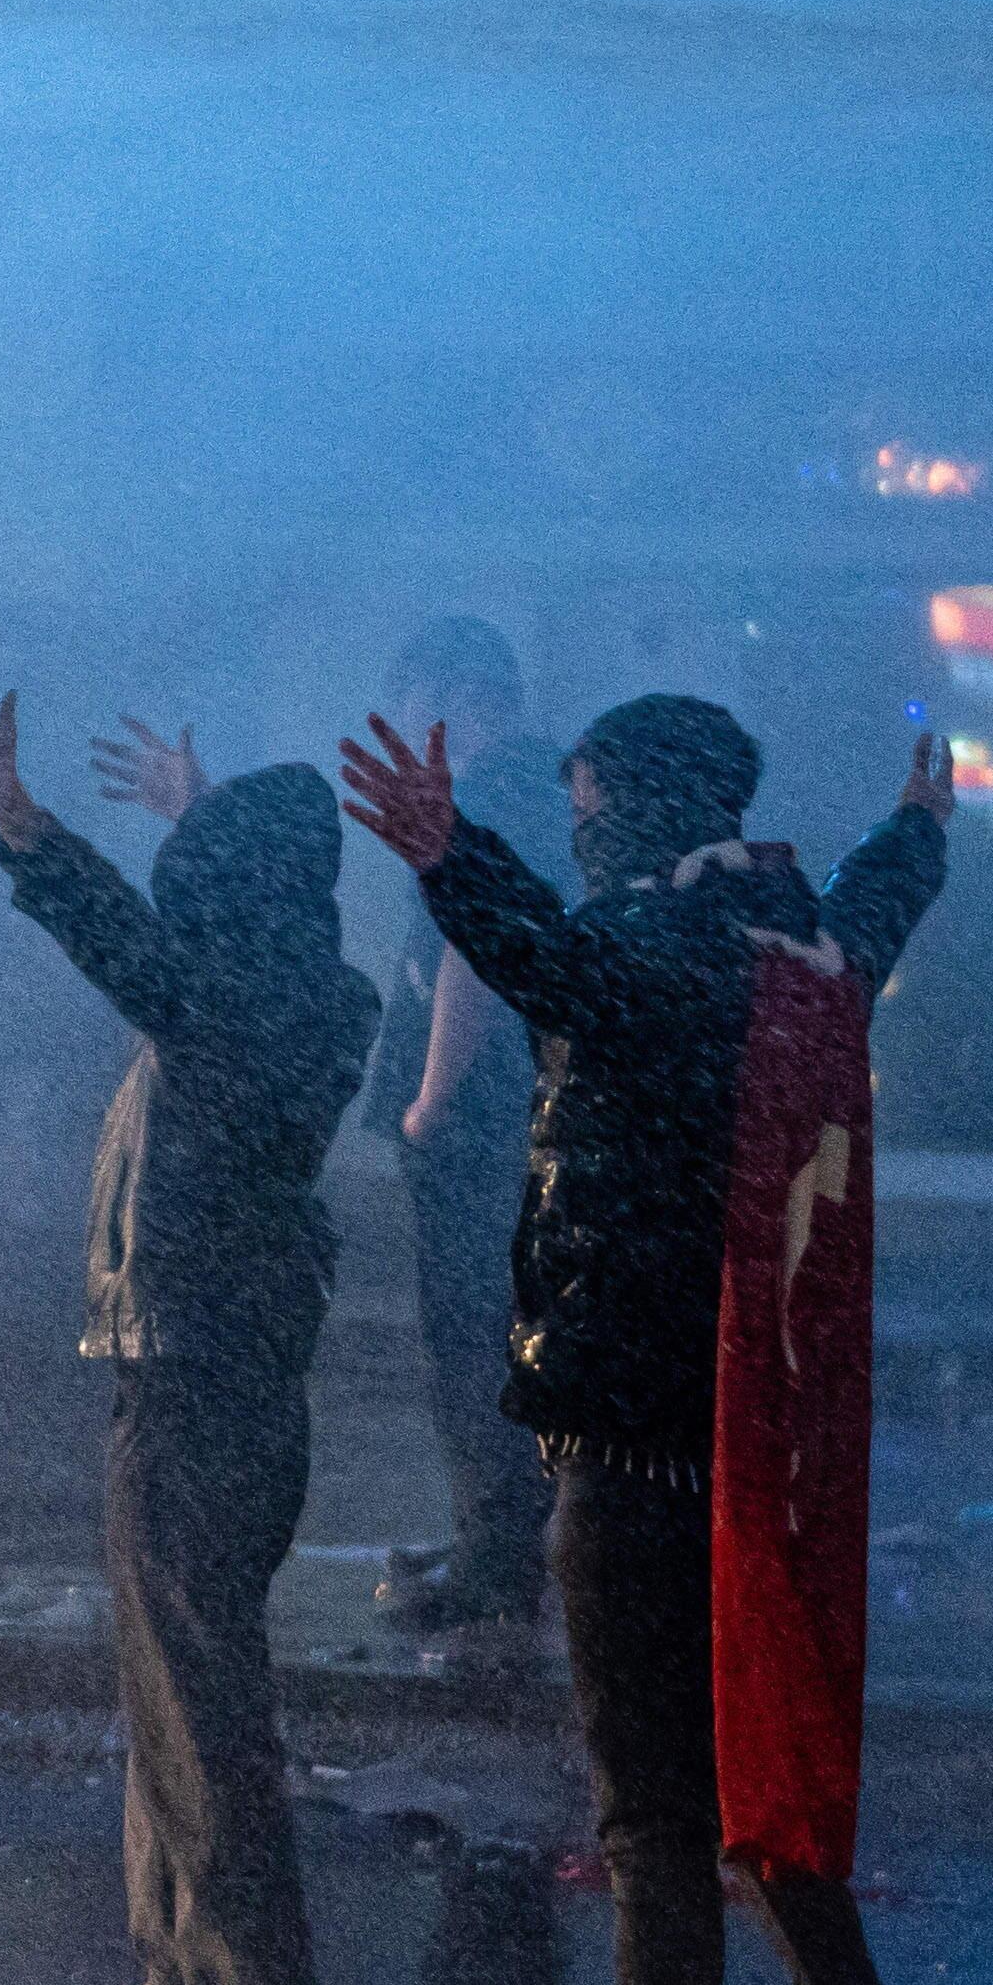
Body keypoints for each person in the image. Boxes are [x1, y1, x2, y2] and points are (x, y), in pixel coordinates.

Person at [343, 697, 972, 1985]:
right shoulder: (796, 933)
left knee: (654, 1819)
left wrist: (449, 861)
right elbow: (877, 903)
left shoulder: (673, 950)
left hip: (640, 1430)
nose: (577, 830)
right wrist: (919, 833)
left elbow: (569, 975)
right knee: (743, 1776)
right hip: (754, 1422)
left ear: (628, 803)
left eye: (582, 805)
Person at [0, 671, 374, 1985]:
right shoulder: (291, 974)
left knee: (203, 1693)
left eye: (206, 873)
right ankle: (184, 1977)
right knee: (171, 1683)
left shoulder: (252, 1001)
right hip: (197, 1367)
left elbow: (130, 950)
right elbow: (183, 941)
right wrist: (205, 806)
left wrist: (21, 819)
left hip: (205, 1376)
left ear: (237, 893)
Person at [364, 617, 560, 1640]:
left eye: (408, 699)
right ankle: (500, 1541)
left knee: (471, 1332)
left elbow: (469, 952)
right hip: (521, 1116)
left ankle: (494, 1559)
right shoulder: (542, 789)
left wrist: (428, 1101)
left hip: (481, 1121)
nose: (401, 725)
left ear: (447, 693)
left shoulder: (488, 794)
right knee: (500, 1328)